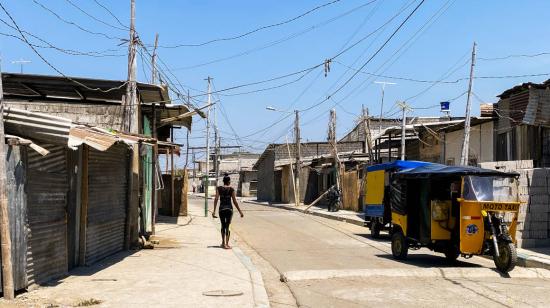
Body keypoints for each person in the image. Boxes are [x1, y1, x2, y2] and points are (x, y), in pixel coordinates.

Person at [212, 174, 244, 249]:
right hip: (229, 209)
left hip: (221, 209)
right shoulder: (231, 189)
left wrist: (214, 211)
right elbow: (234, 201)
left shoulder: (219, 188)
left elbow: (216, 199)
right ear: (229, 181)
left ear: (223, 181)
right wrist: (240, 211)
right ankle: (227, 244)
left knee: (223, 225)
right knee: (228, 226)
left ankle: (223, 243)